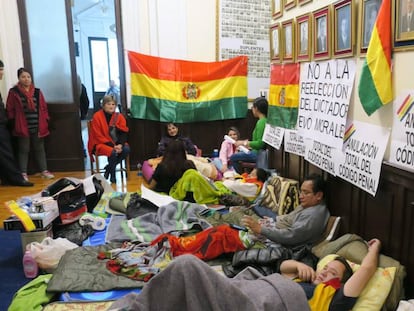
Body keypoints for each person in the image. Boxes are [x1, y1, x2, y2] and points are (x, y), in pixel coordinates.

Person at [108, 239, 381, 310]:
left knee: (187, 266)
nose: (324, 275)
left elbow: (367, 269)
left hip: (261, 304)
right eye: (325, 269)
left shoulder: (334, 300)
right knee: (187, 282)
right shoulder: (308, 279)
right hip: (252, 288)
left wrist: (375, 249)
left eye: (332, 273)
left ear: (341, 282)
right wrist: (297, 267)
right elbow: (280, 269)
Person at [242, 174, 330, 247]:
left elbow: (290, 236)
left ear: (319, 195)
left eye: (306, 193)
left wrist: (261, 230)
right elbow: (289, 218)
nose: (300, 196)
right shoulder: (308, 205)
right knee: (241, 214)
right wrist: (272, 221)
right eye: (301, 192)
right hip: (274, 229)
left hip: (280, 246)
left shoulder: (313, 216)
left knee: (239, 219)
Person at [6, 67, 54, 182]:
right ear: (19, 78)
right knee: (23, 150)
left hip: (37, 125)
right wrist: (13, 122)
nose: (26, 79)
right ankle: (23, 172)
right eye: (23, 77)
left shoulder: (37, 92)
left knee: (39, 149)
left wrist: (46, 120)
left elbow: (43, 107)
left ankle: (44, 171)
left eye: (28, 77)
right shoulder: (14, 92)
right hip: (22, 126)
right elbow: (10, 108)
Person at [0, 60, 33, 187]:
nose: (2, 72)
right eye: (0, 70)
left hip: (3, 123)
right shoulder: (14, 92)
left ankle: (7, 178)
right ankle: (16, 179)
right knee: (7, 152)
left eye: (2, 69)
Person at [88, 95, 130, 183]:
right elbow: (97, 135)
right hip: (101, 143)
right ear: (103, 105)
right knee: (112, 152)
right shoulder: (97, 116)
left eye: (113, 104)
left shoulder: (119, 116)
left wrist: (120, 145)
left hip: (117, 143)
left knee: (126, 149)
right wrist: (113, 146)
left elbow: (124, 133)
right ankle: (113, 176)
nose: (111, 106)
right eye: (108, 104)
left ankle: (109, 168)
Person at [230, 97, 268, 174]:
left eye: (252, 107)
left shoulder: (261, 122)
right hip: (257, 152)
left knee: (233, 157)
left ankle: (240, 175)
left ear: (256, 108)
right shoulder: (264, 121)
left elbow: (260, 144)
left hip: (258, 154)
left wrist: (244, 143)